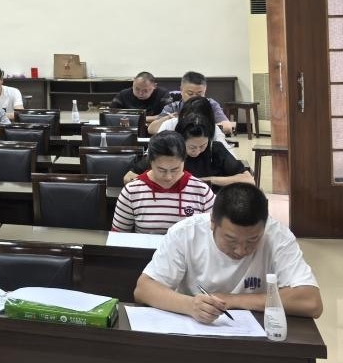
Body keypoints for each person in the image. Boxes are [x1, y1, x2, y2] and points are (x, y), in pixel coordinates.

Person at [135, 182, 322, 324]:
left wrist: (233, 300)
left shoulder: (278, 236)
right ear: (212, 223)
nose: (241, 250)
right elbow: (144, 289)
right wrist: (191, 306)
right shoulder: (186, 233)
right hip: (194, 327)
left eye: (252, 240)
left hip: (257, 333)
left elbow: (311, 302)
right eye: (231, 240)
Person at [111, 132, 215, 234]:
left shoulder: (201, 191)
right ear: (150, 162)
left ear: (184, 161)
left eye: (175, 169)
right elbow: (118, 236)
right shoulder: (132, 191)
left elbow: (213, 234)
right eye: (161, 170)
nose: (168, 177)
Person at [123, 115, 254, 187]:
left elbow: (248, 179)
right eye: (192, 147)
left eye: (202, 145)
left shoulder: (215, 149)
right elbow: (129, 178)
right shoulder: (169, 150)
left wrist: (206, 181)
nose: (197, 151)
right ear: (180, 139)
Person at [148, 71, 235, 135]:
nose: (194, 97)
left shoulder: (210, 104)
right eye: (190, 93)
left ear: (205, 91)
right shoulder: (173, 107)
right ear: (181, 90)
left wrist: (197, 126)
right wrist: (168, 118)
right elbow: (152, 129)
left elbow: (227, 128)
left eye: (199, 94)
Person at [153, 96, 235, 157]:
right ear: (183, 116)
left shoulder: (214, 130)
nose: (196, 122)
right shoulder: (170, 125)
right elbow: (153, 154)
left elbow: (230, 157)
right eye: (190, 118)